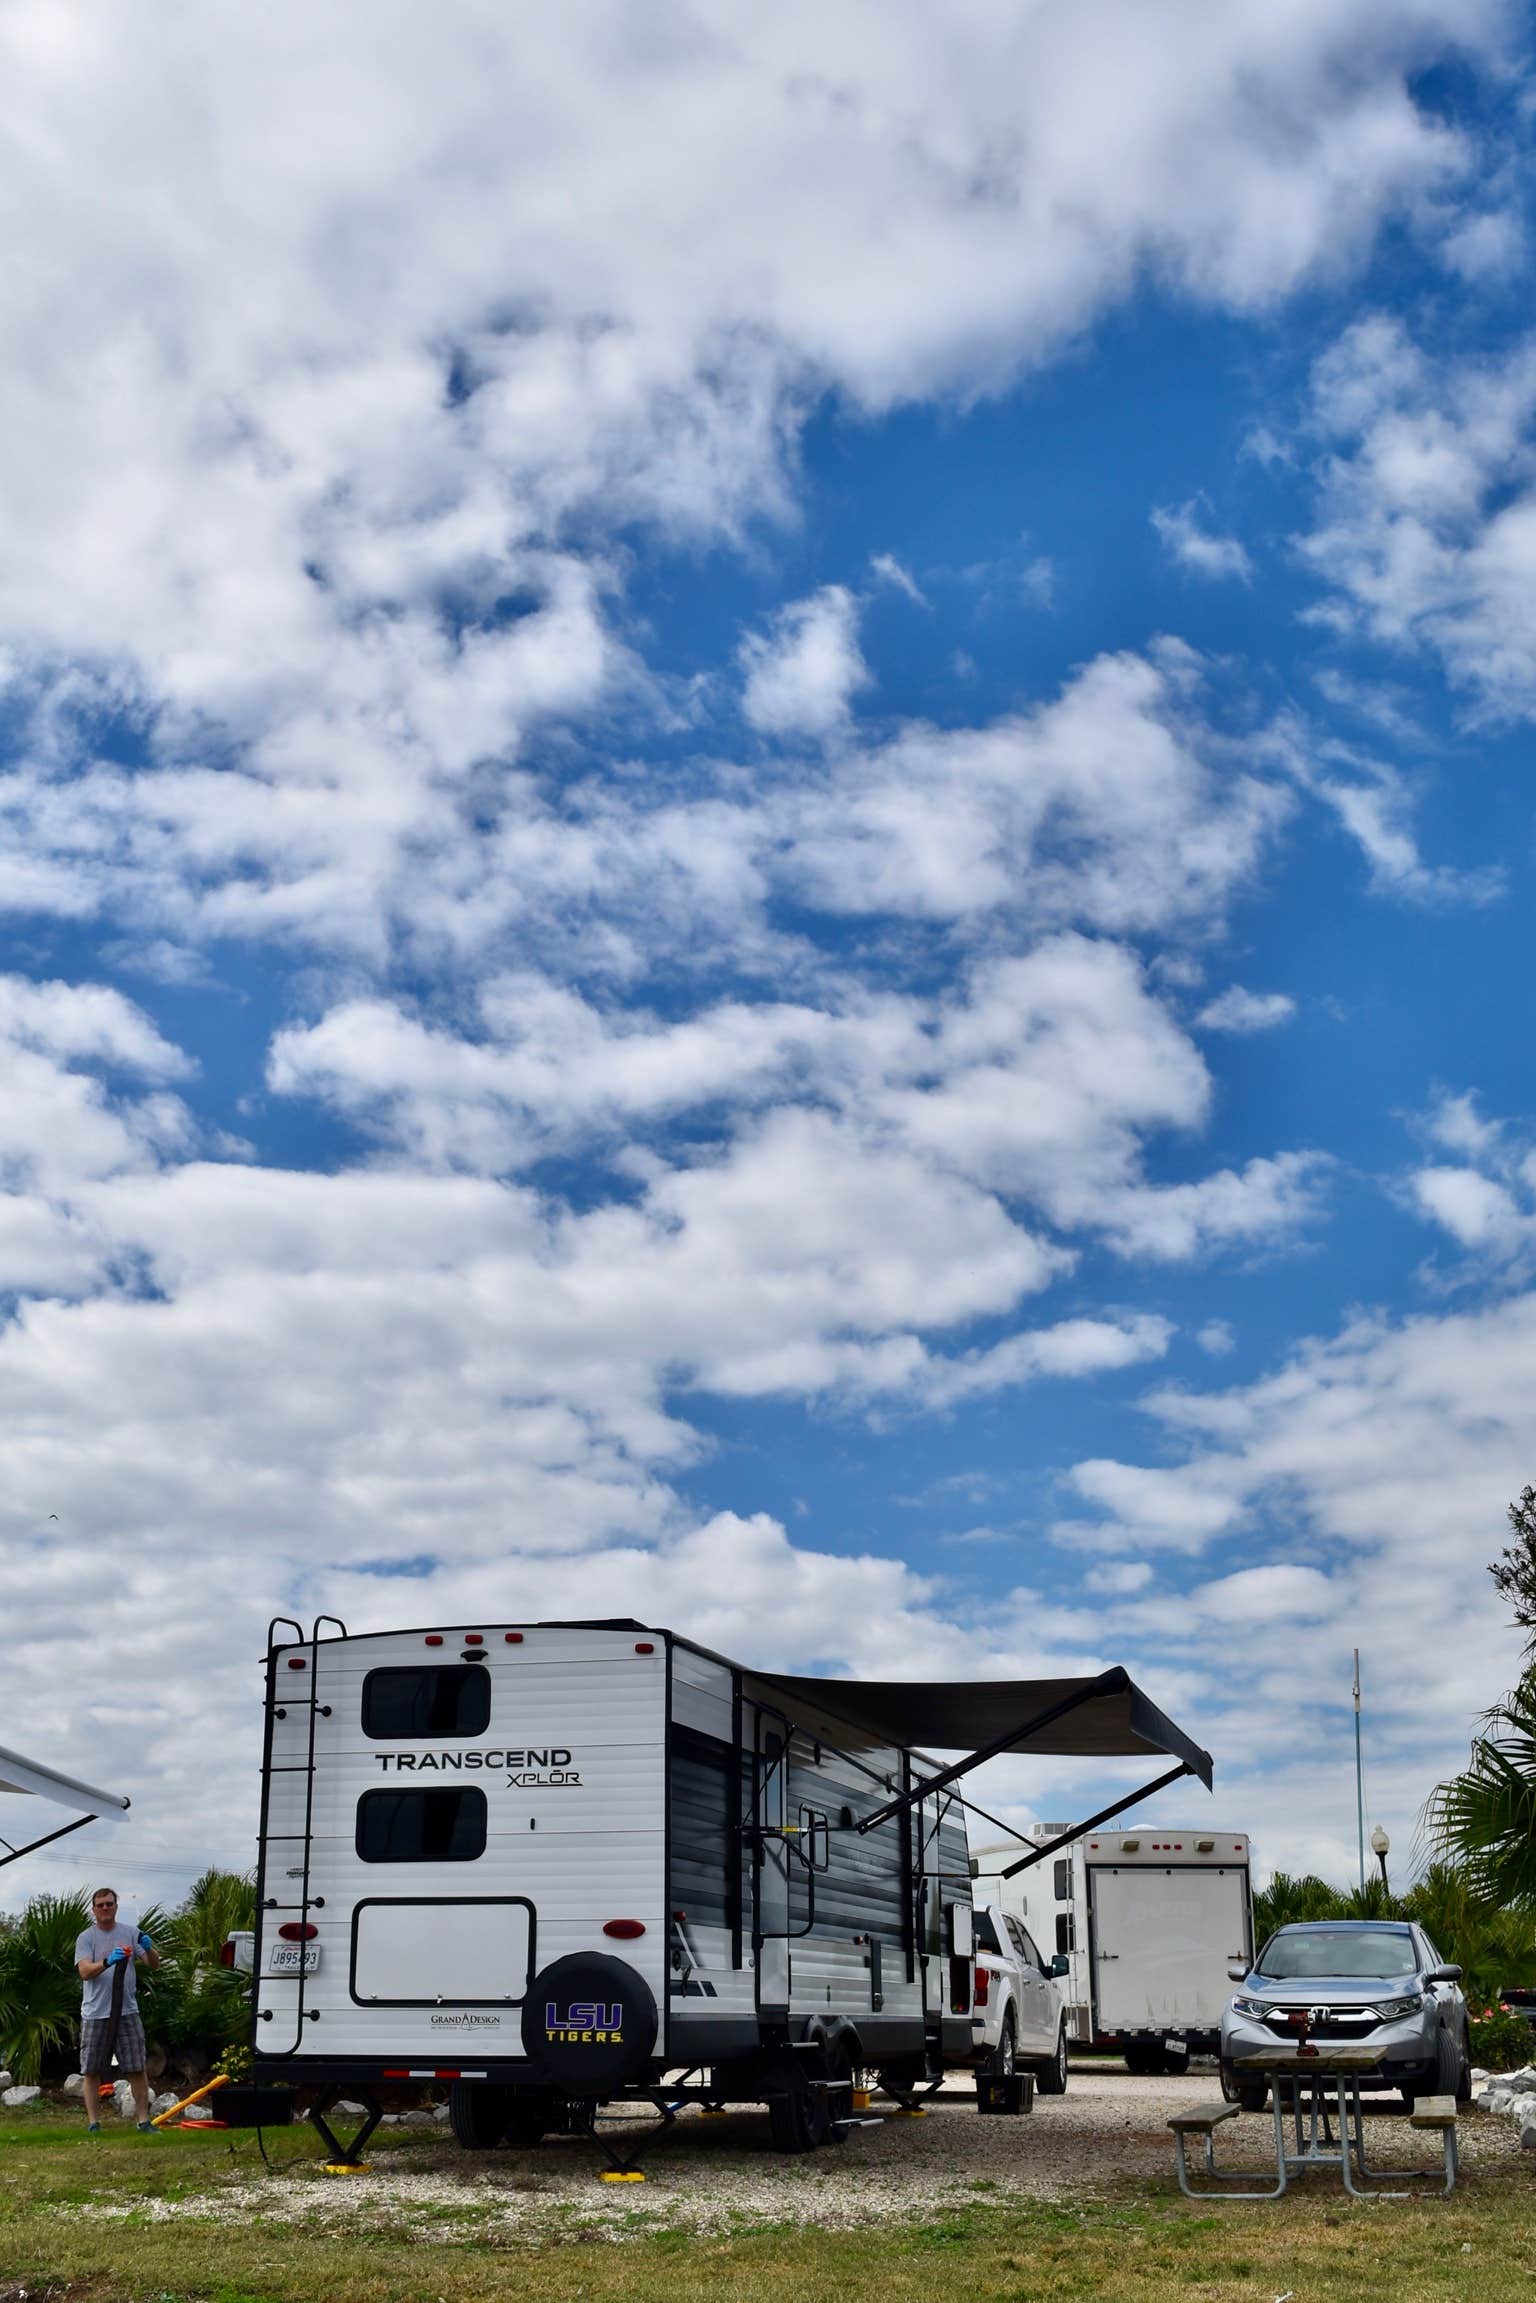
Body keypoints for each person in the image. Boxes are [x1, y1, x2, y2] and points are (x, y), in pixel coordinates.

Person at [74, 1885, 161, 2133]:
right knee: (91, 2070)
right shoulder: (86, 1937)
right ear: (94, 1909)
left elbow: (153, 1965)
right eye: (100, 1905)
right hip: (95, 2013)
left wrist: (149, 1947)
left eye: (109, 1904)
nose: (105, 1908)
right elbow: (84, 1972)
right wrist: (106, 1961)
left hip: (127, 2012)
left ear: (116, 1907)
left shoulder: (131, 1933)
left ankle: (143, 2121)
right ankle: (93, 2123)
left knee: (136, 2067)